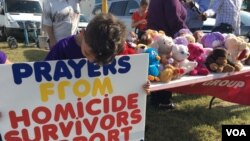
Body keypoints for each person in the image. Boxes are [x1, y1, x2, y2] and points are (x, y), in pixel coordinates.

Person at [147, 0, 189, 109]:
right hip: (165, 40)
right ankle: (163, 101)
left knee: (157, 67)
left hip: (155, 37)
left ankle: (156, 99)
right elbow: (175, 20)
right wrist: (187, 33)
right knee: (166, 68)